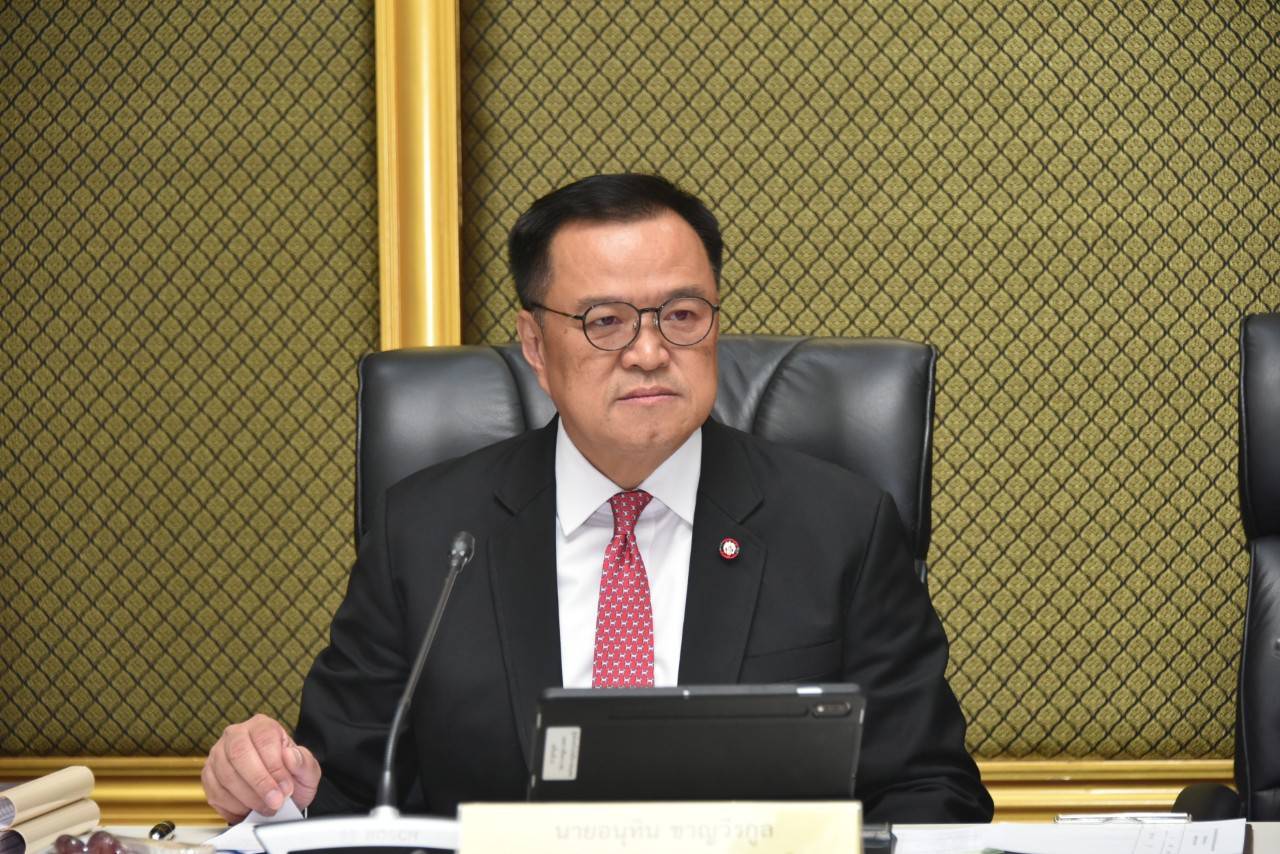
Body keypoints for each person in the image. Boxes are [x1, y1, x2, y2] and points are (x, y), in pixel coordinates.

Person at [201, 173, 994, 824]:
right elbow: (346, 789)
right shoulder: (429, 535)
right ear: (535, 345)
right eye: (605, 321)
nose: (649, 351)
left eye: (681, 315)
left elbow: (931, 791)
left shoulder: (841, 528)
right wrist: (275, 784)